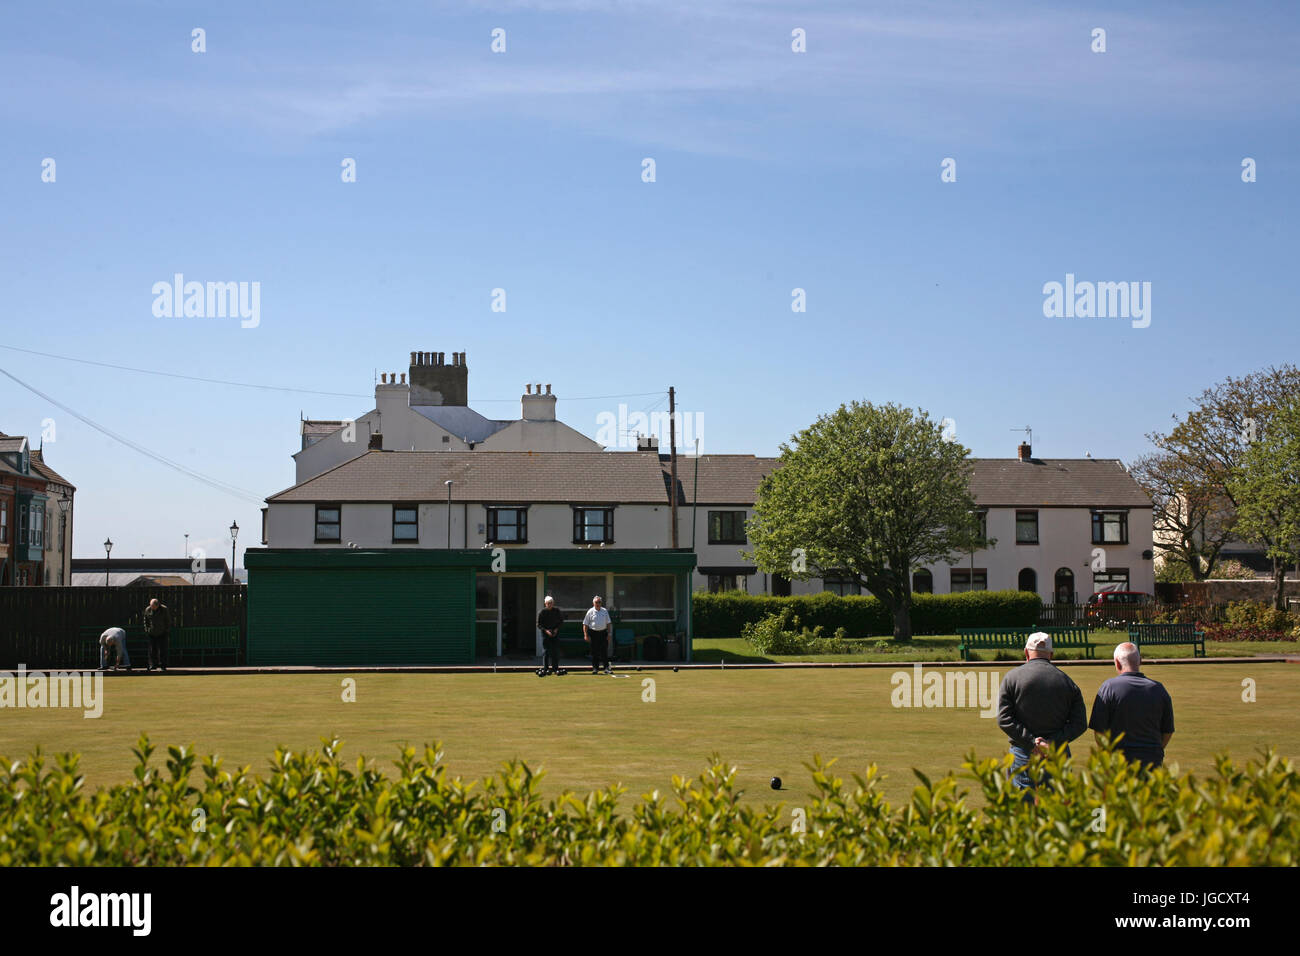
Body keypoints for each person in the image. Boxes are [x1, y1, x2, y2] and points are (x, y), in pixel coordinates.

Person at [996, 632, 1087, 792]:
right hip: (1057, 754)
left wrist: (1032, 742)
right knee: (1057, 809)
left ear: (1026, 652)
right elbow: (1079, 724)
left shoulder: (1011, 678)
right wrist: (1050, 743)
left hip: (1022, 753)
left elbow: (1004, 718)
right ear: (1051, 654)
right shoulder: (1067, 682)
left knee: (1023, 809)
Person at [1088, 642, 1175, 768]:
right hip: (1151, 761)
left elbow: (1099, 732)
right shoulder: (1159, 689)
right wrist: (1154, 750)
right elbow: (1167, 731)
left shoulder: (1108, 687)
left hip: (1119, 762)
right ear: (1140, 661)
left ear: (1117, 662)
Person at [583, 596, 612, 675]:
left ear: (601, 603)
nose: (598, 604)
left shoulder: (604, 611)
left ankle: (606, 668)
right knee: (594, 652)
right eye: (596, 602)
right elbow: (585, 624)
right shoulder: (590, 611)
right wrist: (585, 635)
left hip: (603, 633)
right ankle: (595, 669)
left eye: (599, 602)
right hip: (593, 634)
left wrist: (609, 634)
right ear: (593, 603)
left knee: (604, 652)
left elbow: (608, 623)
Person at [536, 596, 565, 676]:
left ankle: (555, 668)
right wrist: (546, 630)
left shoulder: (557, 611)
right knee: (546, 651)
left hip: (555, 633)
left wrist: (556, 629)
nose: (550, 604)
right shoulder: (542, 612)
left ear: (553, 603)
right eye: (548, 603)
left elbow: (561, 621)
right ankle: (546, 668)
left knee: (555, 651)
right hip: (545, 634)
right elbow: (538, 624)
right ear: (545, 604)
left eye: (551, 603)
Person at [144, 598, 171, 672]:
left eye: (153, 606)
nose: (151, 608)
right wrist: (147, 630)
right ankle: (152, 665)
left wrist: (166, 631)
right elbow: (145, 620)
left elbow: (168, 621)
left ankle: (163, 666)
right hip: (152, 633)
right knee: (152, 650)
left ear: (157, 605)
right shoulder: (148, 609)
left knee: (163, 650)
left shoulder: (164, 609)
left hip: (162, 633)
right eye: (150, 606)